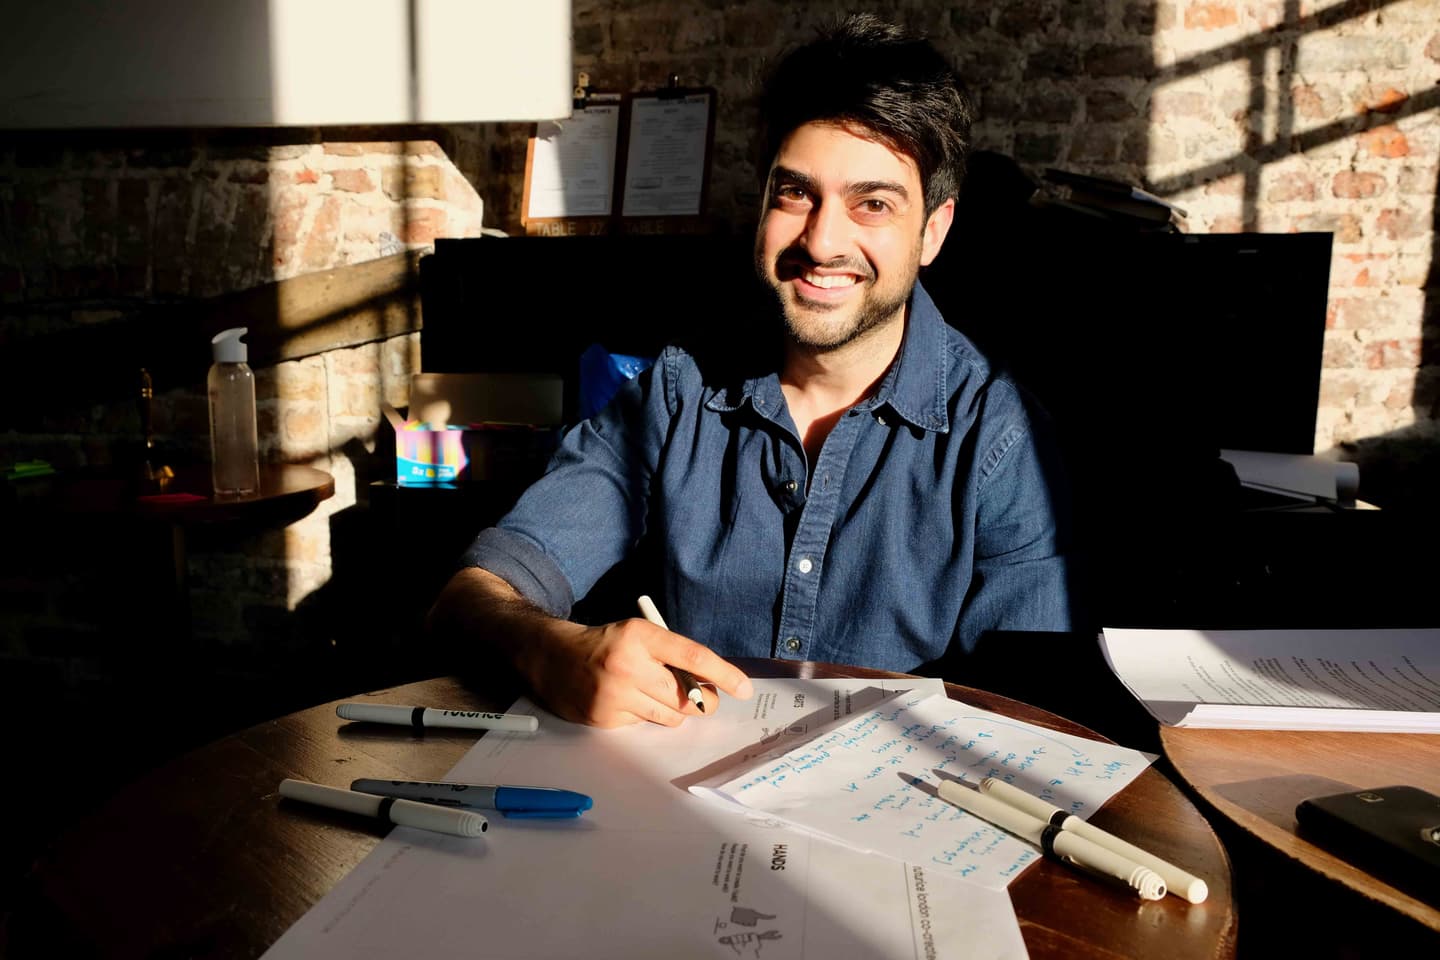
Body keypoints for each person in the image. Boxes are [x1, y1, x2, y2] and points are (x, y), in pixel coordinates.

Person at [427, 14, 1076, 728]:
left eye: (873, 203)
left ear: (934, 231)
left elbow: (1031, 709)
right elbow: (473, 594)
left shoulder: (998, 434)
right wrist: (549, 648)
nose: (823, 240)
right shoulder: (677, 394)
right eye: (795, 193)